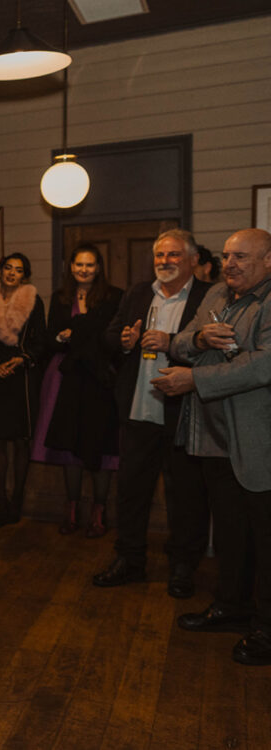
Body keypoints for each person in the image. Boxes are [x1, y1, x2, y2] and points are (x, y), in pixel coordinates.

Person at [157, 227, 271, 666]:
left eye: (241, 257)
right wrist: (202, 340)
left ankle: (267, 629)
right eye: (226, 256)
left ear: (267, 261)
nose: (230, 264)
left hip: (257, 439)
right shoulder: (217, 294)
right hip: (213, 438)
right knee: (230, 534)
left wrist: (196, 379)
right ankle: (231, 606)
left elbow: (263, 364)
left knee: (265, 539)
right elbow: (180, 341)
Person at [92, 230, 211, 596]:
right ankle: (129, 559)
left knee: (186, 496)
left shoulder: (210, 296)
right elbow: (110, 336)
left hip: (184, 414)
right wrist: (124, 342)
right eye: (160, 255)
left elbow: (216, 350)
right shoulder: (138, 293)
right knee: (131, 492)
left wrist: (170, 343)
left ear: (193, 260)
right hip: (139, 409)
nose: (165, 261)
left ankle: (183, 567)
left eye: (174, 255)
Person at [31, 243, 123, 537]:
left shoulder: (114, 296)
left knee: (101, 444)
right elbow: (50, 338)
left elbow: (108, 336)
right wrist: (62, 337)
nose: (84, 270)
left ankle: (99, 511)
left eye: (89, 265)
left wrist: (78, 331)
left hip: (99, 379)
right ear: (70, 267)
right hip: (65, 376)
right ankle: (71, 510)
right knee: (68, 444)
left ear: (99, 268)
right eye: (79, 264)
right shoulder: (61, 297)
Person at [0, 252, 47, 527]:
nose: (12, 273)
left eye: (18, 269)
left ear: (24, 276)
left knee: (21, 441)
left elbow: (42, 341)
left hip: (22, 377)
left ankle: (17, 500)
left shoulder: (34, 300)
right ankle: (0, 501)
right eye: (8, 268)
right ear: (0, 271)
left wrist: (22, 359)